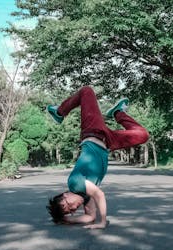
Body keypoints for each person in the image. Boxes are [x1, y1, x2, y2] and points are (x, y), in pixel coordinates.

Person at [45, 86, 149, 229]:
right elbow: (90, 217)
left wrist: (103, 222)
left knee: (86, 91)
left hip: (93, 131)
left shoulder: (75, 184)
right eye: (73, 211)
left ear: (65, 194)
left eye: (69, 205)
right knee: (143, 135)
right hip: (108, 141)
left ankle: (59, 112)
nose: (75, 207)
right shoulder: (85, 195)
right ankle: (118, 113)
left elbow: (99, 195)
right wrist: (68, 220)